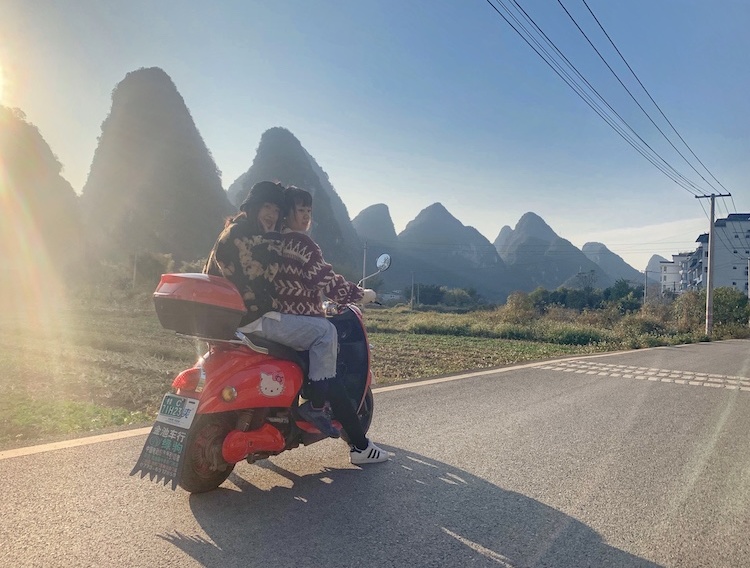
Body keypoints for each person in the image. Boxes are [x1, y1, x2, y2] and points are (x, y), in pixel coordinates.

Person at [252, 185, 390, 465]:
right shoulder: (302, 244)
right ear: (287, 213)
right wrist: (362, 294)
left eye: (308, 210)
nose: (305, 216)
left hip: (273, 320)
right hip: (297, 322)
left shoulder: (274, 241)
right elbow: (327, 281)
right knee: (329, 366)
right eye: (299, 210)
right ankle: (347, 434)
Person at [203, 180, 285, 325]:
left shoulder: (252, 233)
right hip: (240, 315)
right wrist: (272, 243)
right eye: (267, 207)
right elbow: (256, 281)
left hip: (240, 313)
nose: (272, 214)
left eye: (276, 211)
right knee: (322, 329)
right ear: (255, 206)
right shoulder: (237, 234)